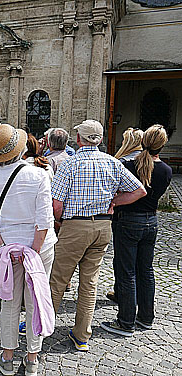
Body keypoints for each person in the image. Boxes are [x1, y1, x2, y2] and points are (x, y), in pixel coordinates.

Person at [50, 119, 146, 352]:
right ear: (100, 139)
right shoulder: (112, 163)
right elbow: (139, 191)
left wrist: (60, 222)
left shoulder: (70, 165)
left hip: (75, 226)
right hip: (103, 227)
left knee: (58, 279)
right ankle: (82, 334)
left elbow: (56, 204)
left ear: (79, 139)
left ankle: (41, 325)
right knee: (89, 282)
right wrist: (114, 201)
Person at [0, 124, 57, 376]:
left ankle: (7, 357)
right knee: (36, 301)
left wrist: (4, 248)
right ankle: (32, 359)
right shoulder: (39, 175)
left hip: (9, 250)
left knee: (9, 303)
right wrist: (33, 252)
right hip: (39, 248)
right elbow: (44, 220)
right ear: (20, 148)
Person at [100, 125, 172, 337]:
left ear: (143, 141)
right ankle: (146, 317)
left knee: (127, 272)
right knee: (146, 271)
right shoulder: (166, 171)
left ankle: (126, 321)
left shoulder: (130, 166)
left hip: (128, 221)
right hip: (151, 222)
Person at [106, 127, 145, 303]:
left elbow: (113, 190)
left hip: (125, 216)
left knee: (123, 262)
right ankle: (143, 307)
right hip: (148, 216)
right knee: (143, 265)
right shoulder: (150, 162)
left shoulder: (122, 162)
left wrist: (113, 202)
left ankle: (123, 297)